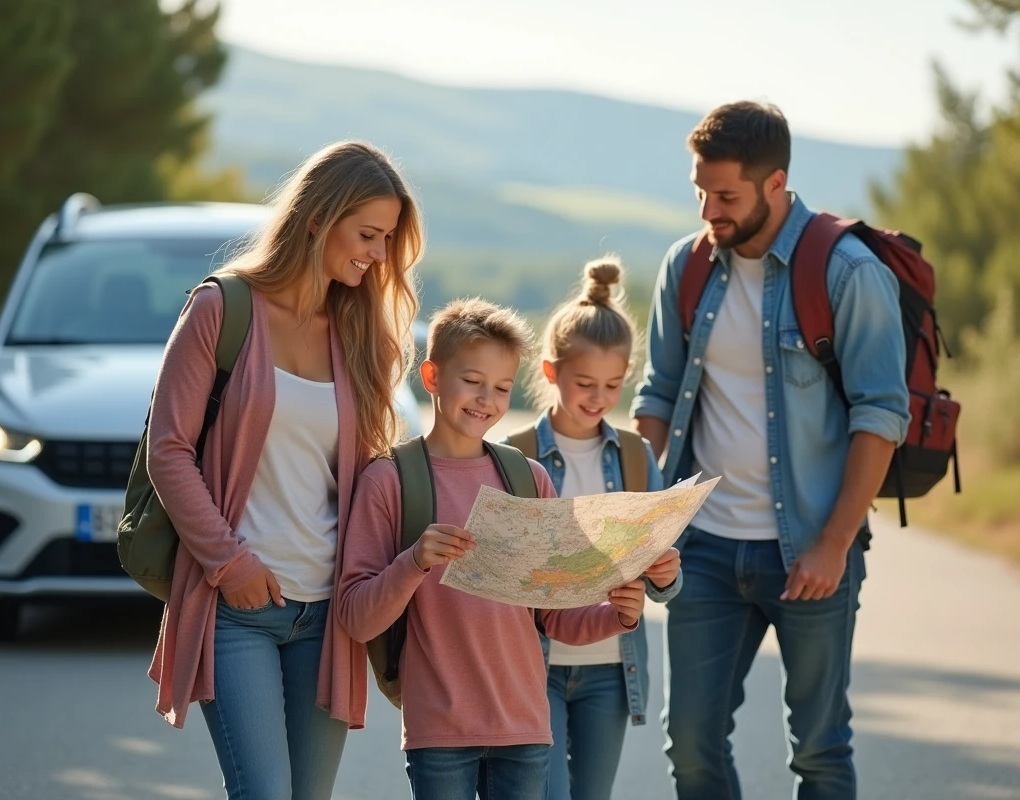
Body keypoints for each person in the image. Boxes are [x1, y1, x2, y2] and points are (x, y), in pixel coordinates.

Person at [630, 101, 910, 799]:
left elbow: (882, 415)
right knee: (691, 745)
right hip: (703, 549)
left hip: (810, 549)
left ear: (776, 184)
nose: (708, 212)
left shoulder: (848, 273)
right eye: (700, 192)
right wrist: (636, 518)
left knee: (819, 750)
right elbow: (658, 396)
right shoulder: (687, 268)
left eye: (725, 196)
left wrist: (834, 543)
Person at [145, 140, 424, 800]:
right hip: (236, 604)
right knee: (265, 792)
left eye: (387, 239)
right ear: (317, 219)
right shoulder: (223, 309)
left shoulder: (358, 332)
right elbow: (169, 450)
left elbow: (374, 471)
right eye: (367, 234)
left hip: (327, 614)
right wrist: (230, 564)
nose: (378, 254)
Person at [336, 298, 646, 800]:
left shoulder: (528, 479)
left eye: (502, 388)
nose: (487, 399)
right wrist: (414, 562)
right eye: (473, 381)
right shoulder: (388, 480)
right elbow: (356, 617)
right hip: (439, 730)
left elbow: (555, 615)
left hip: (524, 726)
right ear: (433, 376)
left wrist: (618, 615)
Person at [507, 257, 683, 800]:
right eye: (584, 382)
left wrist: (666, 572)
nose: (598, 397)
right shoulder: (517, 455)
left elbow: (665, 579)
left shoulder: (635, 456)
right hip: (536, 663)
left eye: (612, 384)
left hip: (612, 667)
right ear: (551, 371)